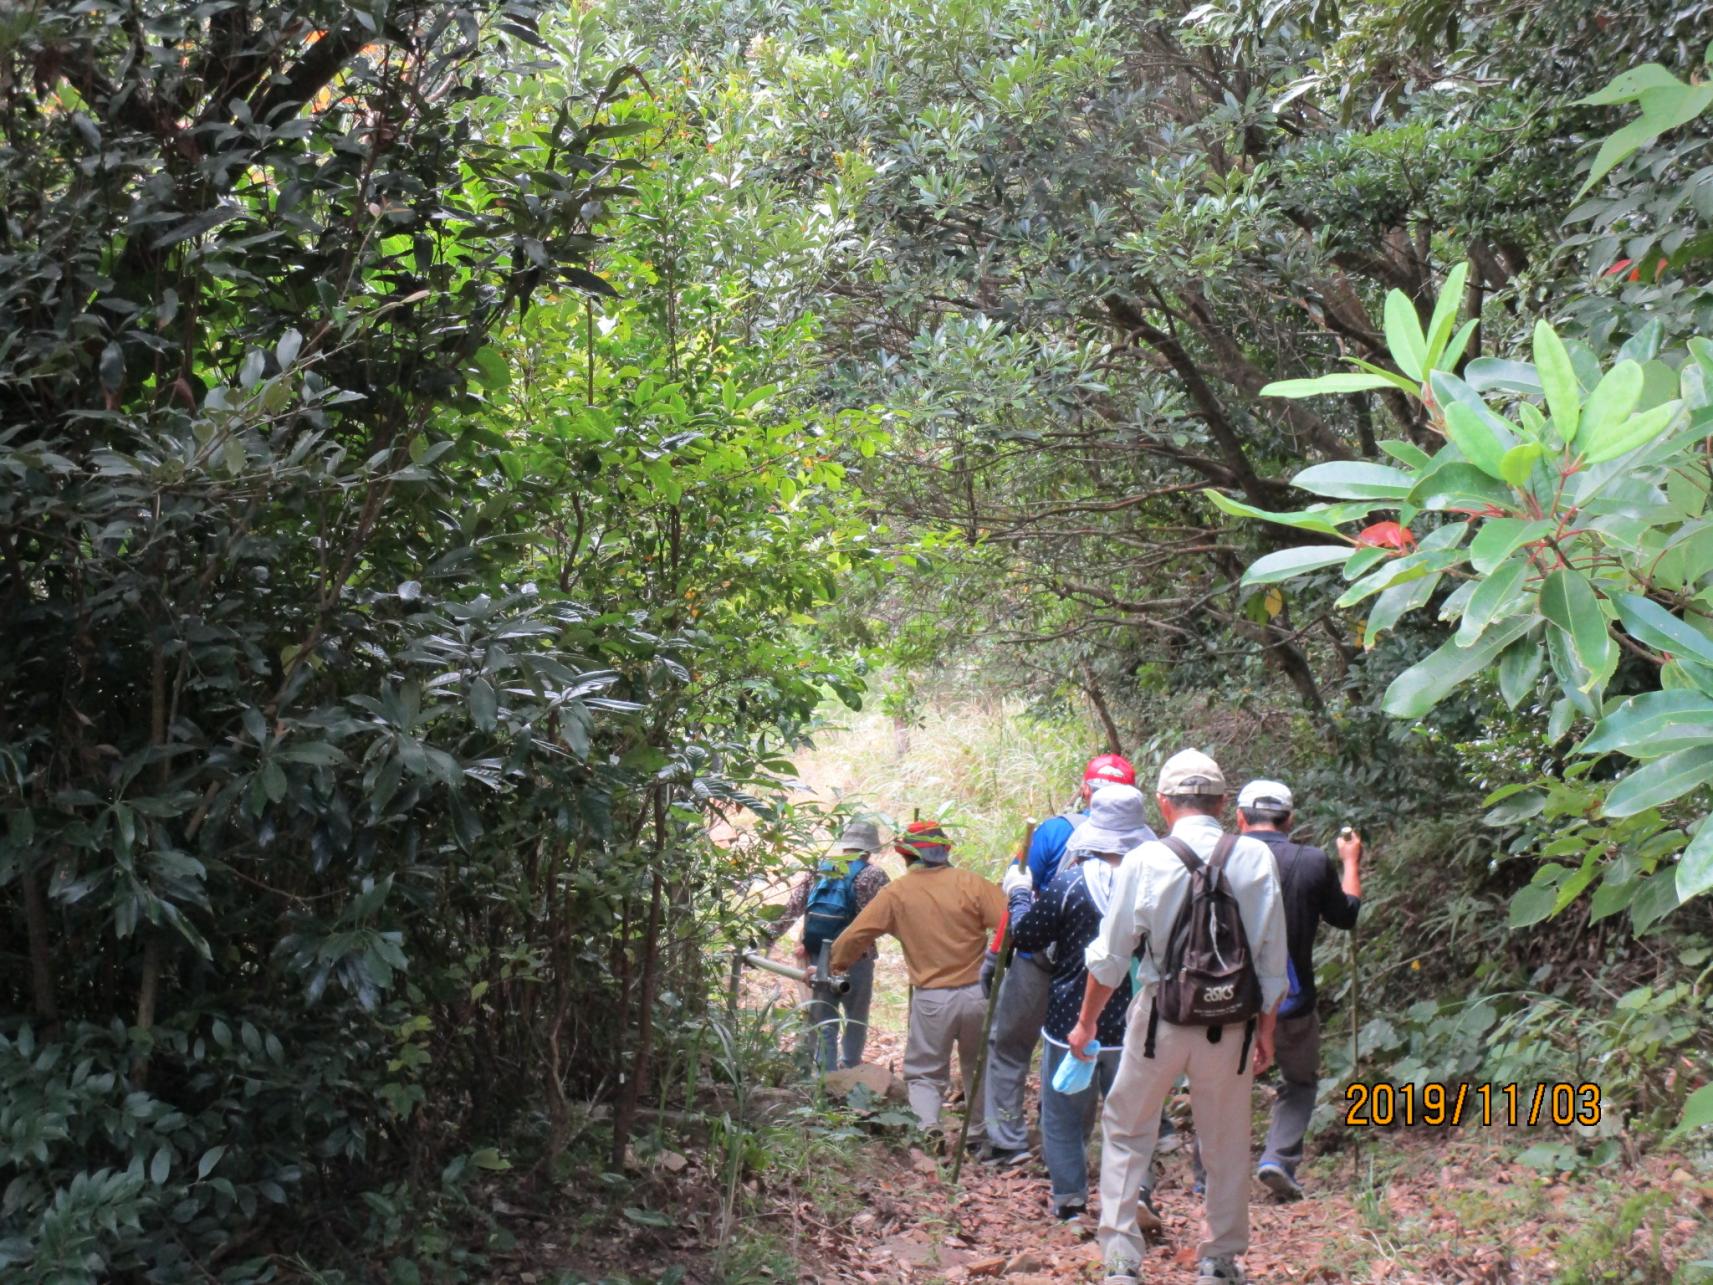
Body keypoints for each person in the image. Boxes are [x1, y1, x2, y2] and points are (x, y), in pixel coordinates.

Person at [1069, 749, 1287, 1285]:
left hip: (1158, 1022)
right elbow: (1271, 963)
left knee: (1126, 1130)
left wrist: (1087, 1022)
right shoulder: (1256, 857)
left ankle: (1122, 1260)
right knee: (1226, 1141)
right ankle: (1219, 1260)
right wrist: (1265, 1034)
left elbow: (1112, 956)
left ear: (1164, 805)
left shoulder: (1146, 859)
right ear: (1221, 802)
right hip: (1230, 1026)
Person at [1002, 784, 1156, 1221]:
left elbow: (1027, 936)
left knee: (1064, 1115)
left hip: (1074, 1020)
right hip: (1137, 1020)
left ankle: (1070, 1201)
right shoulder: (1156, 888)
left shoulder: (1070, 885)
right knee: (1135, 1117)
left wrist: (1018, 893)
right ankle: (1137, 1192)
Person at [983, 753, 1137, 1164]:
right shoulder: (1143, 845)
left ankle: (1007, 1139)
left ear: (1085, 789)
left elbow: (1020, 889)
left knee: (1010, 1046)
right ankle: (1068, 1149)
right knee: (1086, 1051)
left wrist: (996, 952)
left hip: (1039, 956)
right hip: (1105, 970)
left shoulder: (1052, 831)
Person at [831, 820, 1006, 1147]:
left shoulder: (896, 893)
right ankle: (983, 1136)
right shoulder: (973, 884)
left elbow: (856, 935)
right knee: (980, 1068)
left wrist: (835, 964)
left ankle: (928, 1126)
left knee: (925, 1073)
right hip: (979, 994)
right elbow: (1010, 925)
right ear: (945, 851)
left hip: (932, 999)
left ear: (904, 856)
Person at [1235, 779, 1361, 1202]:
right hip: (1290, 999)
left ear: (1239, 817)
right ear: (1289, 820)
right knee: (1299, 1082)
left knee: (1221, 1083)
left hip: (1225, 1000)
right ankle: (1278, 1158)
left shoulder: (1220, 858)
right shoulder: (1311, 861)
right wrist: (1350, 862)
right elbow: (1346, 916)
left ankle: (1208, 1173)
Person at [767, 818, 891, 1071]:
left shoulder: (819, 868)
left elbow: (792, 908)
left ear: (845, 845)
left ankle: (826, 1075)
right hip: (858, 957)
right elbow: (886, 916)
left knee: (825, 1017)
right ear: (869, 849)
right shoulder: (873, 875)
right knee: (856, 1016)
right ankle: (853, 1068)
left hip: (818, 957)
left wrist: (766, 938)